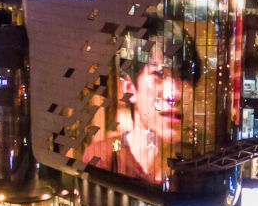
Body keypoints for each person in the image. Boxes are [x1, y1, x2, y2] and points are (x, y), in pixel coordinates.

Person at [83, 13, 203, 184]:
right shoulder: (104, 159)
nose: (175, 94)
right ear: (129, 88)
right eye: (159, 74)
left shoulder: (197, 168)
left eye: (184, 77)